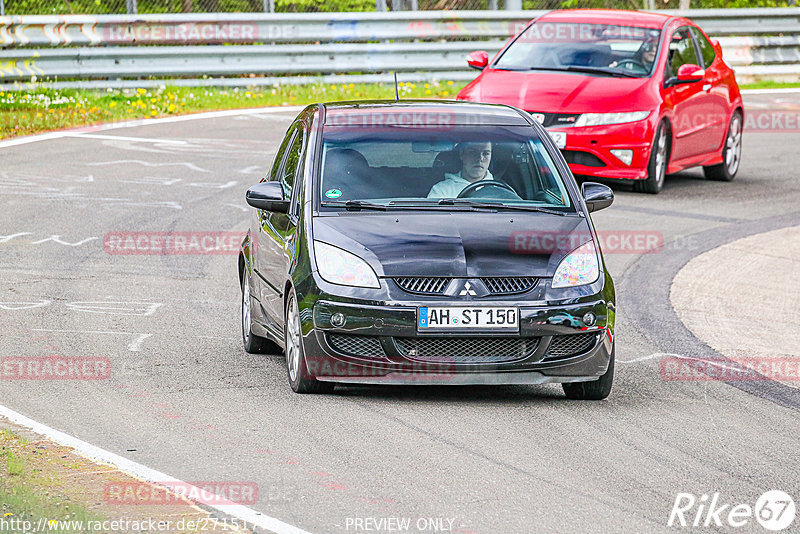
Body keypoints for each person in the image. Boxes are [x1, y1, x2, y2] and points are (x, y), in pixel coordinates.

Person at [427, 141, 494, 198]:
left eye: (486, 153)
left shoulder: (500, 190)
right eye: (473, 152)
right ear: (462, 154)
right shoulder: (442, 190)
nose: (480, 158)